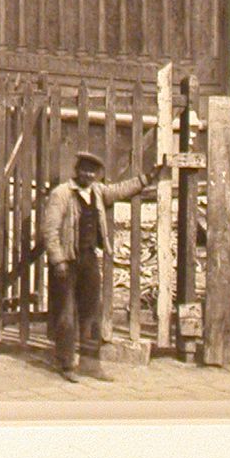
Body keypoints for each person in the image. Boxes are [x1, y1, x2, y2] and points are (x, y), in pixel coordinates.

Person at [41, 149, 163, 381]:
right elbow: (50, 229)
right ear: (76, 170)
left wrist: (146, 178)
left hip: (88, 259)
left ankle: (90, 363)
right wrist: (57, 260)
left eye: (92, 171)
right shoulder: (62, 194)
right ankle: (66, 363)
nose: (88, 174)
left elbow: (119, 191)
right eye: (84, 169)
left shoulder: (97, 192)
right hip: (66, 261)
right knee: (66, 314)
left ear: (97, 175)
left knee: (91, 313)